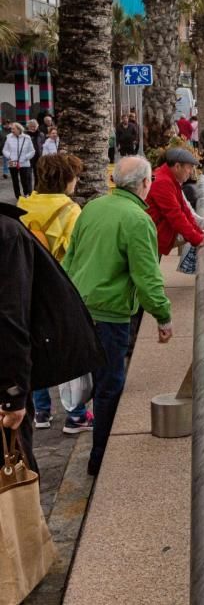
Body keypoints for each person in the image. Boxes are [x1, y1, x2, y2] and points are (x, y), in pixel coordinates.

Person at [62, 157, 174, 477]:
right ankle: (100, 459)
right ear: (144, 184)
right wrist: (163, 317)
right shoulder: (138, 219)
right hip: (110, 314)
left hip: (81, 307)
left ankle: (96, 448)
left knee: (95, 381)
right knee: (110, 385)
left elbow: (71, 259)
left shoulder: (94, 208)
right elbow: (147, 277)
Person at [1, 200, 105, 477]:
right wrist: (14, 397)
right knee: (16, 472)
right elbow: (10, 319)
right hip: (5, 385)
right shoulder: (7, 232)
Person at [17, 153, 94, 432]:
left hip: (28, 283)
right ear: (66, 179)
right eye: (75, 176)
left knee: (35, 348)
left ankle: (41, 413)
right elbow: (77, 251)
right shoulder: (70, 210)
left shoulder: (24, 204)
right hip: (60, 285)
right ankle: (75, 414)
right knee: (66, 347)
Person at [147, 148, 204, 257]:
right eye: (190, 167)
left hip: (154, 236)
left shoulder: (169, 179)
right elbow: (176, 216)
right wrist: (198, 239)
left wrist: (200, 234)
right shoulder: (163, 182)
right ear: (177, 167)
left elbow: (185, 211)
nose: (191, 172)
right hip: (149, 239)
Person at [3, 122, 35, 199]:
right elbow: (5, 150)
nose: (12, 130)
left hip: (24, 163)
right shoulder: (9, 137)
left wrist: (25, 157)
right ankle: (18, 196)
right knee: (15, 180)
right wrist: (10, 156)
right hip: (12, 162)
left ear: (19, 129)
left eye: (13, 129)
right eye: (11, 129)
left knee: (25, 180)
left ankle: (26, 194)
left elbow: (32, 151)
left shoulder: (27, 138)